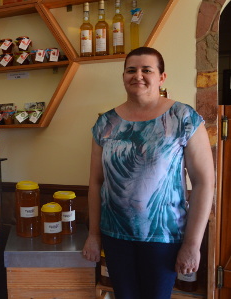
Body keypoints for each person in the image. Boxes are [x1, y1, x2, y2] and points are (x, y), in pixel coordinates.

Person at [82, 47, 214, 299]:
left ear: (162, 77)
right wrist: (93, 235)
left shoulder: (184, 117)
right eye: (131, 70)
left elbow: (204, 183)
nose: (138, 75)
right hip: (115, 236)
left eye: (147, 70)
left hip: (163, 237)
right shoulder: (105, 123)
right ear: (123, 76)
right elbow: (96, 182)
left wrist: (192, 244)